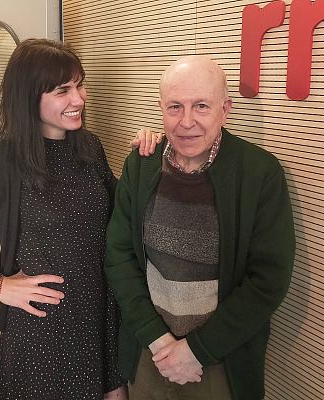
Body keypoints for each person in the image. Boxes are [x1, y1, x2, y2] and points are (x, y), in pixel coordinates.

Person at [0, 38, 161, 400]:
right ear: (29, 97)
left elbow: (122, 212)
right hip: (43, 329)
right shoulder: (3, 161)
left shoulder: (89, 146)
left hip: (99, 316)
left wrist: (144, 160)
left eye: (79, 85)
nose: (79, 99)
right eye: (63, 90)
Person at [105, 55, 295, 400]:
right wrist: (155, 337)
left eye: (201, 106)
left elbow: (268, 279)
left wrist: (197, 350)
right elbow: (119, 256)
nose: (186, 121)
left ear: (225, 109)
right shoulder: (141, 165)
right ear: (161, 109)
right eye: (174, 107)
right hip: (148, 353)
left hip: (220, 362)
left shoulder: (259, 173)